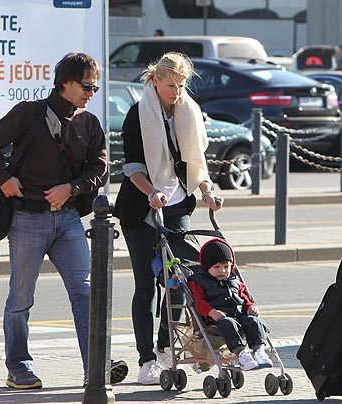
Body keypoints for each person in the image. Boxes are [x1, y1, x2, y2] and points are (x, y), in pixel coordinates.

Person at [0, 52, 128, 389]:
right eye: (87, 86)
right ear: (65, 83)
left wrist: (70, 189)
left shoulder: (89, 123)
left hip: (70, 220)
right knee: (21, 298)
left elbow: (99, 169)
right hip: (27, 218)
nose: (92, 92)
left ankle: (96, 368)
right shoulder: (29, 112)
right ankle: (18, 368)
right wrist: (3, 180)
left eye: (96, 87)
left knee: (87, 293)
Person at [112, 52, 223, 385]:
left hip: (177, 206)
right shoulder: (138, 114)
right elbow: (131, 166)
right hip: (141, 208)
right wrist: (151, 193)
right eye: (170, 85)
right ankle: (146, 358)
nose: (176, 91)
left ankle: (164, 348)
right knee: (146, 286)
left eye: (181, 85)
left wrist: (207, 192)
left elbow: (194, 162)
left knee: (177, 283)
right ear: (155, 80)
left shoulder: (188, 112)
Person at [188, 238, 272, 371]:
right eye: (217, 267)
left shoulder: (234, 281)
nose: (222, 271)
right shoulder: (199, 282)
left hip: (239, 316)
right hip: (216, 321)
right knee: (229, 323)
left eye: (226, 267)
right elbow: (199, 302)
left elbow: (244, 298)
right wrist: (211, 312)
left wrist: (250, 306)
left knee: (254, 321)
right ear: (207, 267)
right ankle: (242, 354)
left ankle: (259, 351)